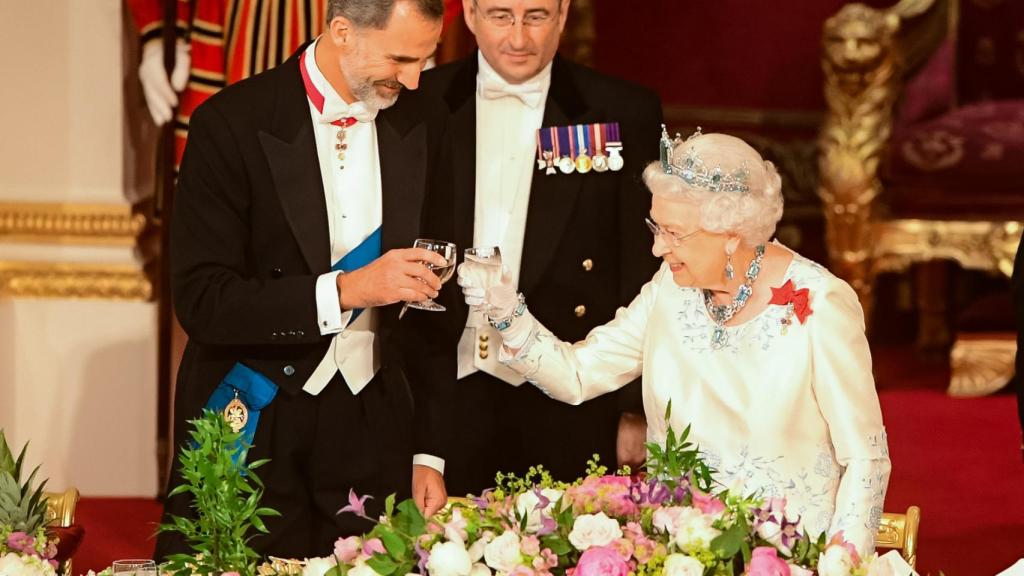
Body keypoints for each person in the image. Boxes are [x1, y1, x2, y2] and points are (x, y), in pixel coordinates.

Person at [459, 129, 892, 555]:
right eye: (655, 227)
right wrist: (507, 314)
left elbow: (866, 457)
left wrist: (841, 560)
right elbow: (578, 374)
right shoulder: (670, 287)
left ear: (731, 234)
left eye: (673, 233)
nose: (656, 248)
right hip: (678, 555)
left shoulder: (821, 303)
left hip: (788, 558)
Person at [156, 0, 450, 561]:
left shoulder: (425, 120)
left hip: (375, 418)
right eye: (400, 58)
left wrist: (428, 452)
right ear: (342, 32)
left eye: (424, 59)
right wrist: (348, 291)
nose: (414, 78)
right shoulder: (232, 122)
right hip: (256, 413)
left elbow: (441, 297)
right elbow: (203, 299)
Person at [412, 0, 662, 496]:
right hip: (443, 384)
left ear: (564, 14)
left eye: (537, 16)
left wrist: (633, 406)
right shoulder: (421, 100)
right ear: (469, 14)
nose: (519, 38)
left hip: (570, 390)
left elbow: (643, 263)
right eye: (501, 15)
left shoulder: (622, 109)